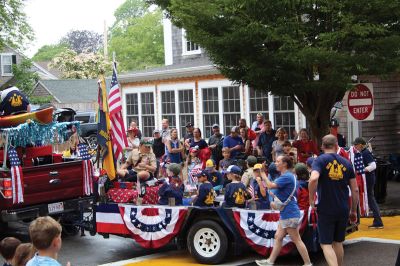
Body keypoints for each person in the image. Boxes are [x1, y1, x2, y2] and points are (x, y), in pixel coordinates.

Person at [308, 135, 359, 266]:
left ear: (322, 146)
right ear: (336, 146)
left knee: (326, 244)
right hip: (343, 208)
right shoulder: (347, 163)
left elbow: (313, 179)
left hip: (326, 208)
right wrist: (353, 210)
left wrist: (311, 199)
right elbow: (355, 190)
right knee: (338, 242)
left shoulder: (319, 160)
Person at [256, 155, 312, 266]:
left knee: (296, 239)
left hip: (289, 213)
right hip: (287, 212)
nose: (275, 163)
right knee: (278, 237)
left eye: (277, 161)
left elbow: (271, 185)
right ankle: (270, 261)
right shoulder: (288, 176)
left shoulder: (286, 176)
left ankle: (308, 263)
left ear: (285, 164)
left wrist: (263, 174)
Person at [353, 137, 384, 228]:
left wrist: (363, 170)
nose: (354, 146)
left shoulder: (365, 153)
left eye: (356, 145)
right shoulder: (362, 152)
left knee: (370, 199)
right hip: (367, 179)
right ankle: (377, 220)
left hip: (368, 179)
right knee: (370, 198)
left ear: (360, 145)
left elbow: (373, 165)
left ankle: (378, 221)